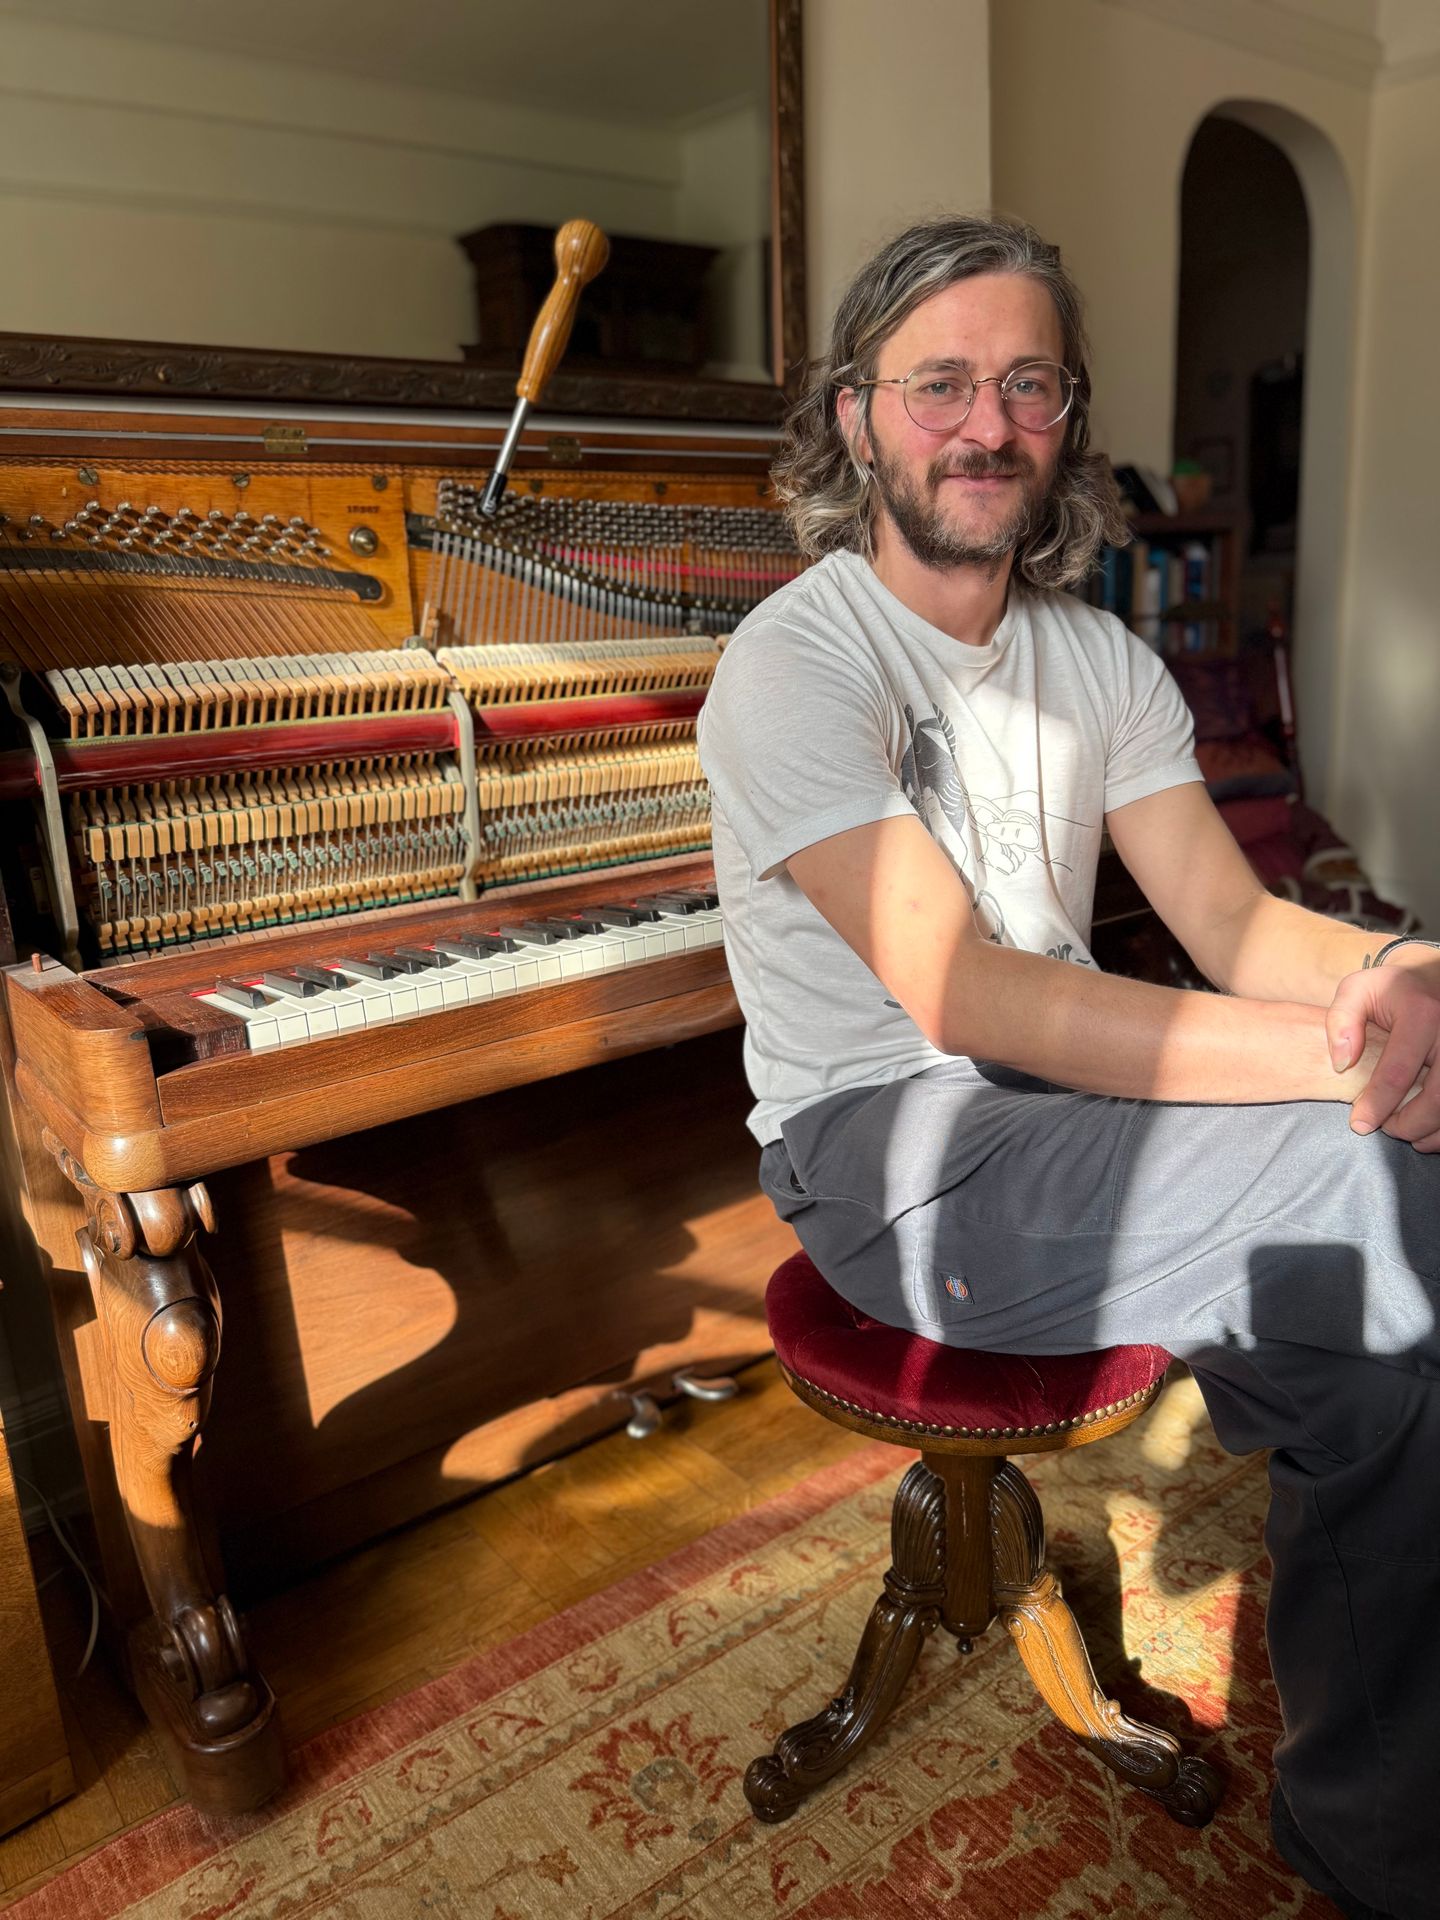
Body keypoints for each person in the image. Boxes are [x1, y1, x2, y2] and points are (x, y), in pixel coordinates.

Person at [695, 214, 1439, 1920]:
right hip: (894, 1157)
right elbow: (959, 990)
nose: (985, 421)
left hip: (1078, 1119)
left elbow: (1242, 927)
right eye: (940, 381)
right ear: (857, 415)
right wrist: (1343, 1066)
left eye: (1028, 382)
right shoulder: (794, 660)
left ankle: (1378, 1855)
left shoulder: (1100, 657)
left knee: (1392, 1393)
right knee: (1376, 1174)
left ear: (1069, 419)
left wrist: (1408, 969)